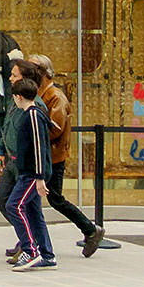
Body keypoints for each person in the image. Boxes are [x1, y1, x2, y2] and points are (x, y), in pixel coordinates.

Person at [26, 55, 104, 257]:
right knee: (39, 200)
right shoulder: (41, 94)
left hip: (53, 157)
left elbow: (56, 128)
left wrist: (32, 132)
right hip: (44, 156)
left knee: (54, 199)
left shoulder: (55, 97)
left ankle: (90, 229)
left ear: (42, 73)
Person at [0, 72, 56, 268]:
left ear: (18, 97)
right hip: (31, 172)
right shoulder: (34, 114)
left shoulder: (32, 115)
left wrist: (39, 177)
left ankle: (31, 250)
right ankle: (47, 254)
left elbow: (39, 147)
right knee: (33, 211)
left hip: (32, 173)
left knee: (13, 206)